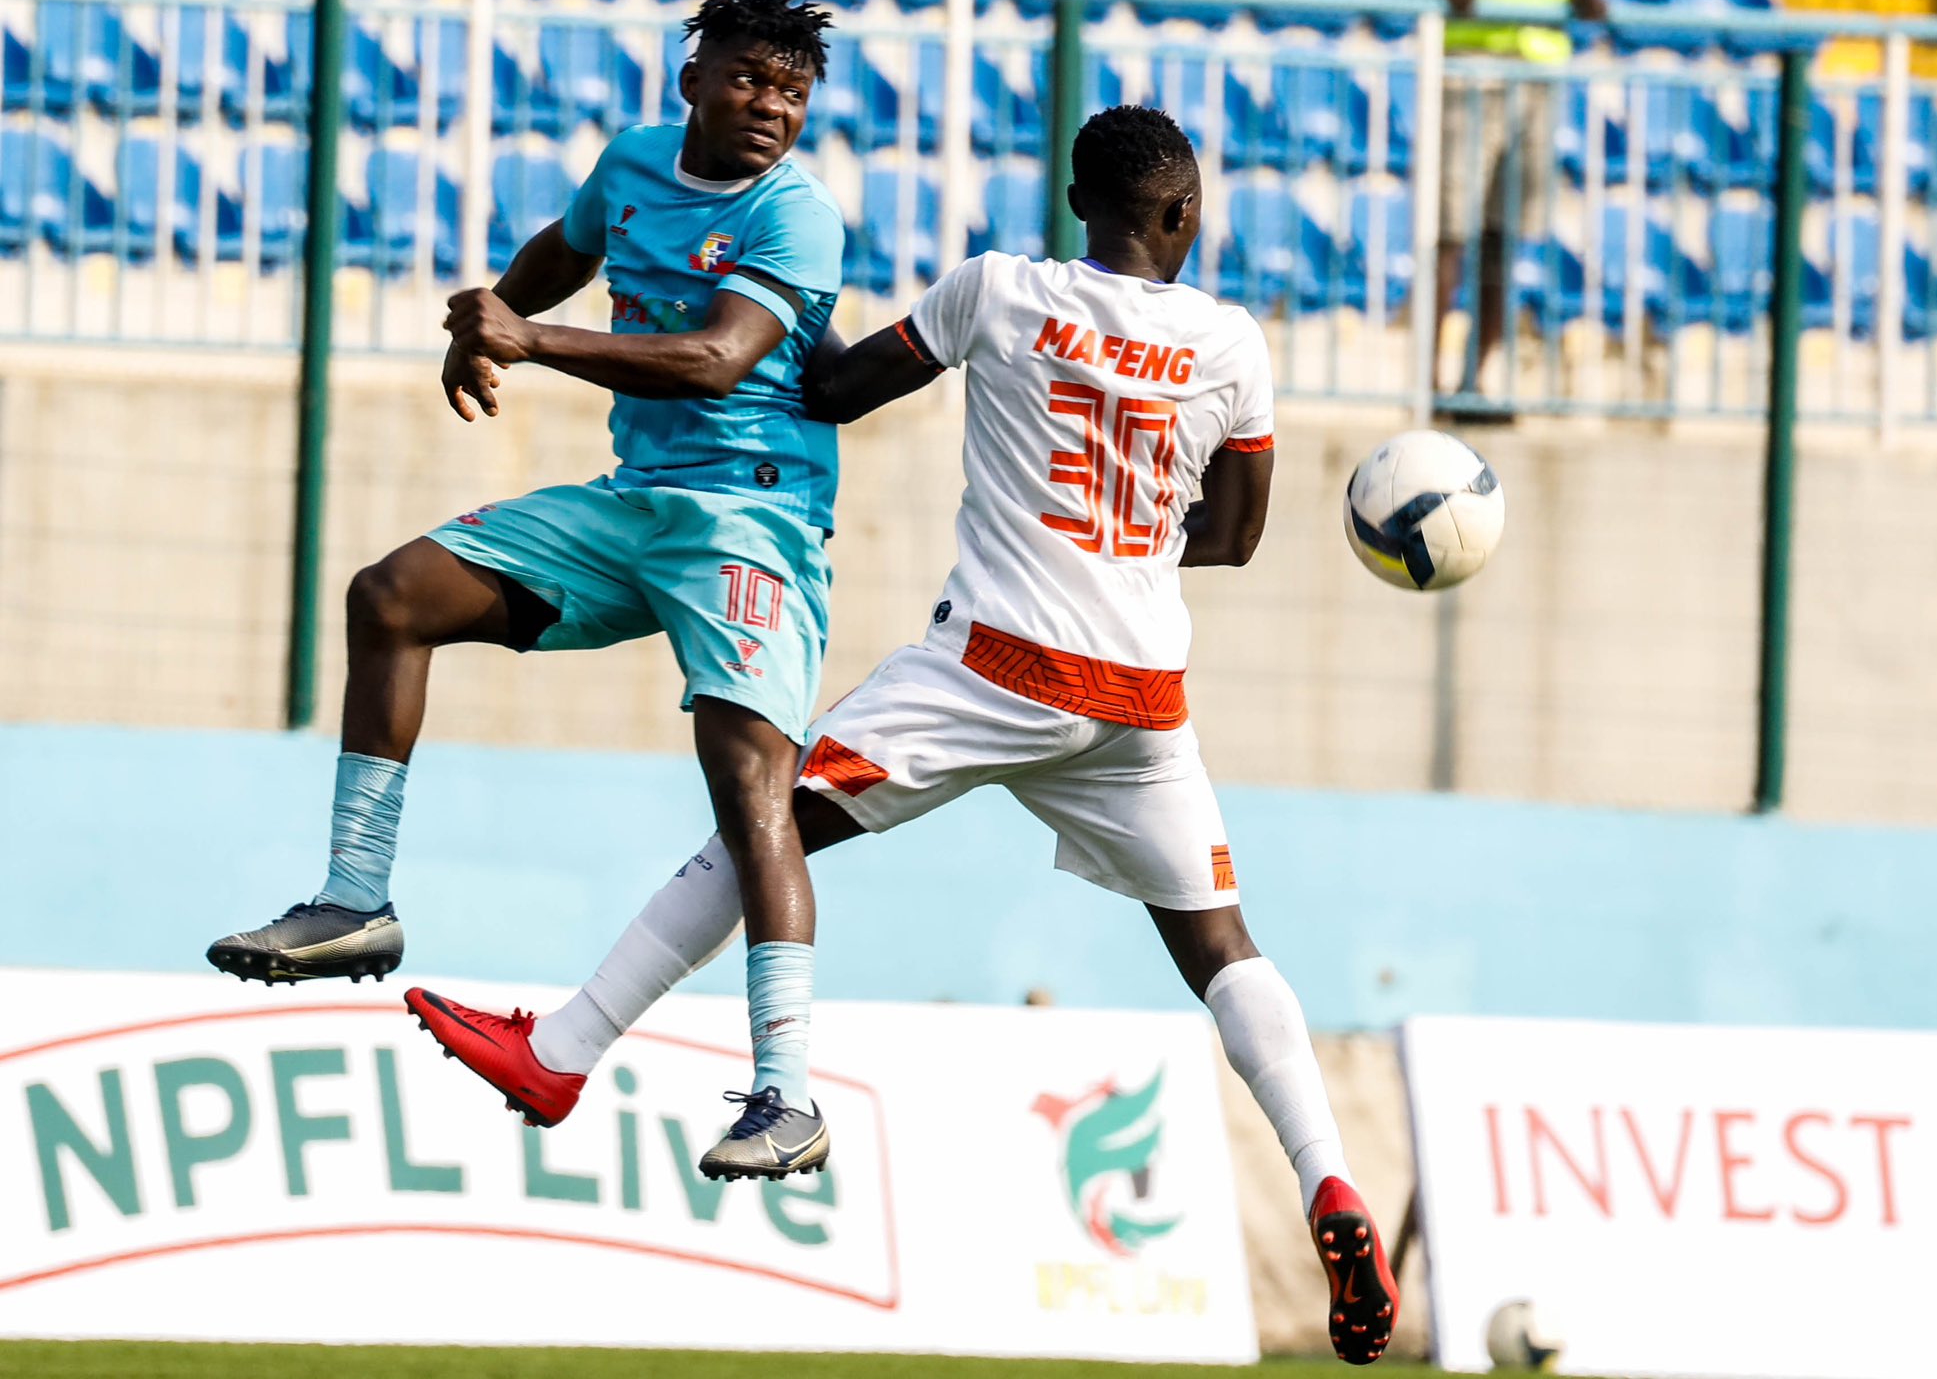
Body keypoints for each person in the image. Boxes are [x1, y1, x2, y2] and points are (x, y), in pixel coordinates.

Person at [407, 107, 1402, 1363]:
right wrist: (1131, 540)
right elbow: (1235, 532)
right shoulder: (1231, 343)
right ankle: (1325, 1174)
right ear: (1183, 216)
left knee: (764, 817)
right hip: (1142, 695)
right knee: (1219, 945)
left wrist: (776, 295)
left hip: (992, 664)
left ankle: (563, 1051)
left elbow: (827, 384)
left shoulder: (996, 290)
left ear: (1071, 199)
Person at [206, 0, 846, 1182]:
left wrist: (530, 341)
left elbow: (714, 362)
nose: (771, 107)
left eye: (794, 91)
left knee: (751, 785)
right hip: (631, 506)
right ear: (692, 80)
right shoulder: (637, 162)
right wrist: (493, 314)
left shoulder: (798, 216)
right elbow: (566, 247)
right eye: (751, 80)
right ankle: (354, 900)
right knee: (390, 594)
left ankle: (786, 1093)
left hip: (751, 519)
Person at [1395, 0, 1606, 416]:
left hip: (1538, 76)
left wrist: (1578, 1)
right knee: (1451, 230)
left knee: (1504, 233)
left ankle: (1477, 380)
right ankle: (1428, 381)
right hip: (1471, 71)